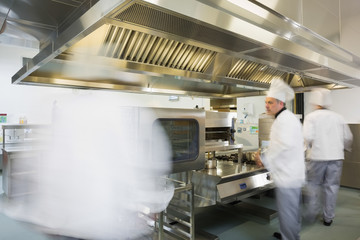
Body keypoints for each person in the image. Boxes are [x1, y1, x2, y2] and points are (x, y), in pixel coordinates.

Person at [255, 79, 305, 240]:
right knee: (291, 211)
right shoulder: (285, 118)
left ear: (280, 103)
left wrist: (263, 159)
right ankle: (288, 234)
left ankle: (289, 237)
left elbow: (281, 147)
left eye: (270, 102)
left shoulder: (285, 121)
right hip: (291, 174)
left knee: (288, 212)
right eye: (266, 102)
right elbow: (280, 145)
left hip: (288, 177)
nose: (266, 106)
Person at [303, 88, 353, 226]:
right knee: (332, 187)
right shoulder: (339, 117)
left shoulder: (311, 117)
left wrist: (308, 147)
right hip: (336, 157)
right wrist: (344, 148)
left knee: (313, 185)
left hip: (316, 157)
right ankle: (328, 218)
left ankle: (312, 214)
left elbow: (307, 136)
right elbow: (348, 137)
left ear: (315, 103)